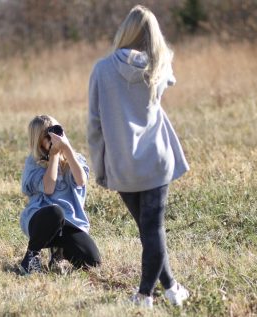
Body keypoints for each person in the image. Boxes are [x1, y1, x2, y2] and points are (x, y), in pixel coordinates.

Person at [87, 5, 190, 308]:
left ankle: (166, 290)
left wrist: (100, 166)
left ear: (124, 31)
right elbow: (169, 77)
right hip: (157, 161)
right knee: (152, 230)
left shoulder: (101, 69)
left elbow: (94, 125)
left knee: (149, 231)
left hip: (122, 165)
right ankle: (148, 294)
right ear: (153, 36)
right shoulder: (159, 67)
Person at [19, 115, 101, 275]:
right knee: (55, 212)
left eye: (57, 131)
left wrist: (67, 150)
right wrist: (54, 156)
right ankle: (31, 257)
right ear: (38, 141)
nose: (53, 137)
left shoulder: (75, 159)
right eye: (47, 135)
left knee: (93, 262)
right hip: (41, 219)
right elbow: (48, 187)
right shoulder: (34, 162)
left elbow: (81, 180)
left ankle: (60, 253)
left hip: (70, 222)